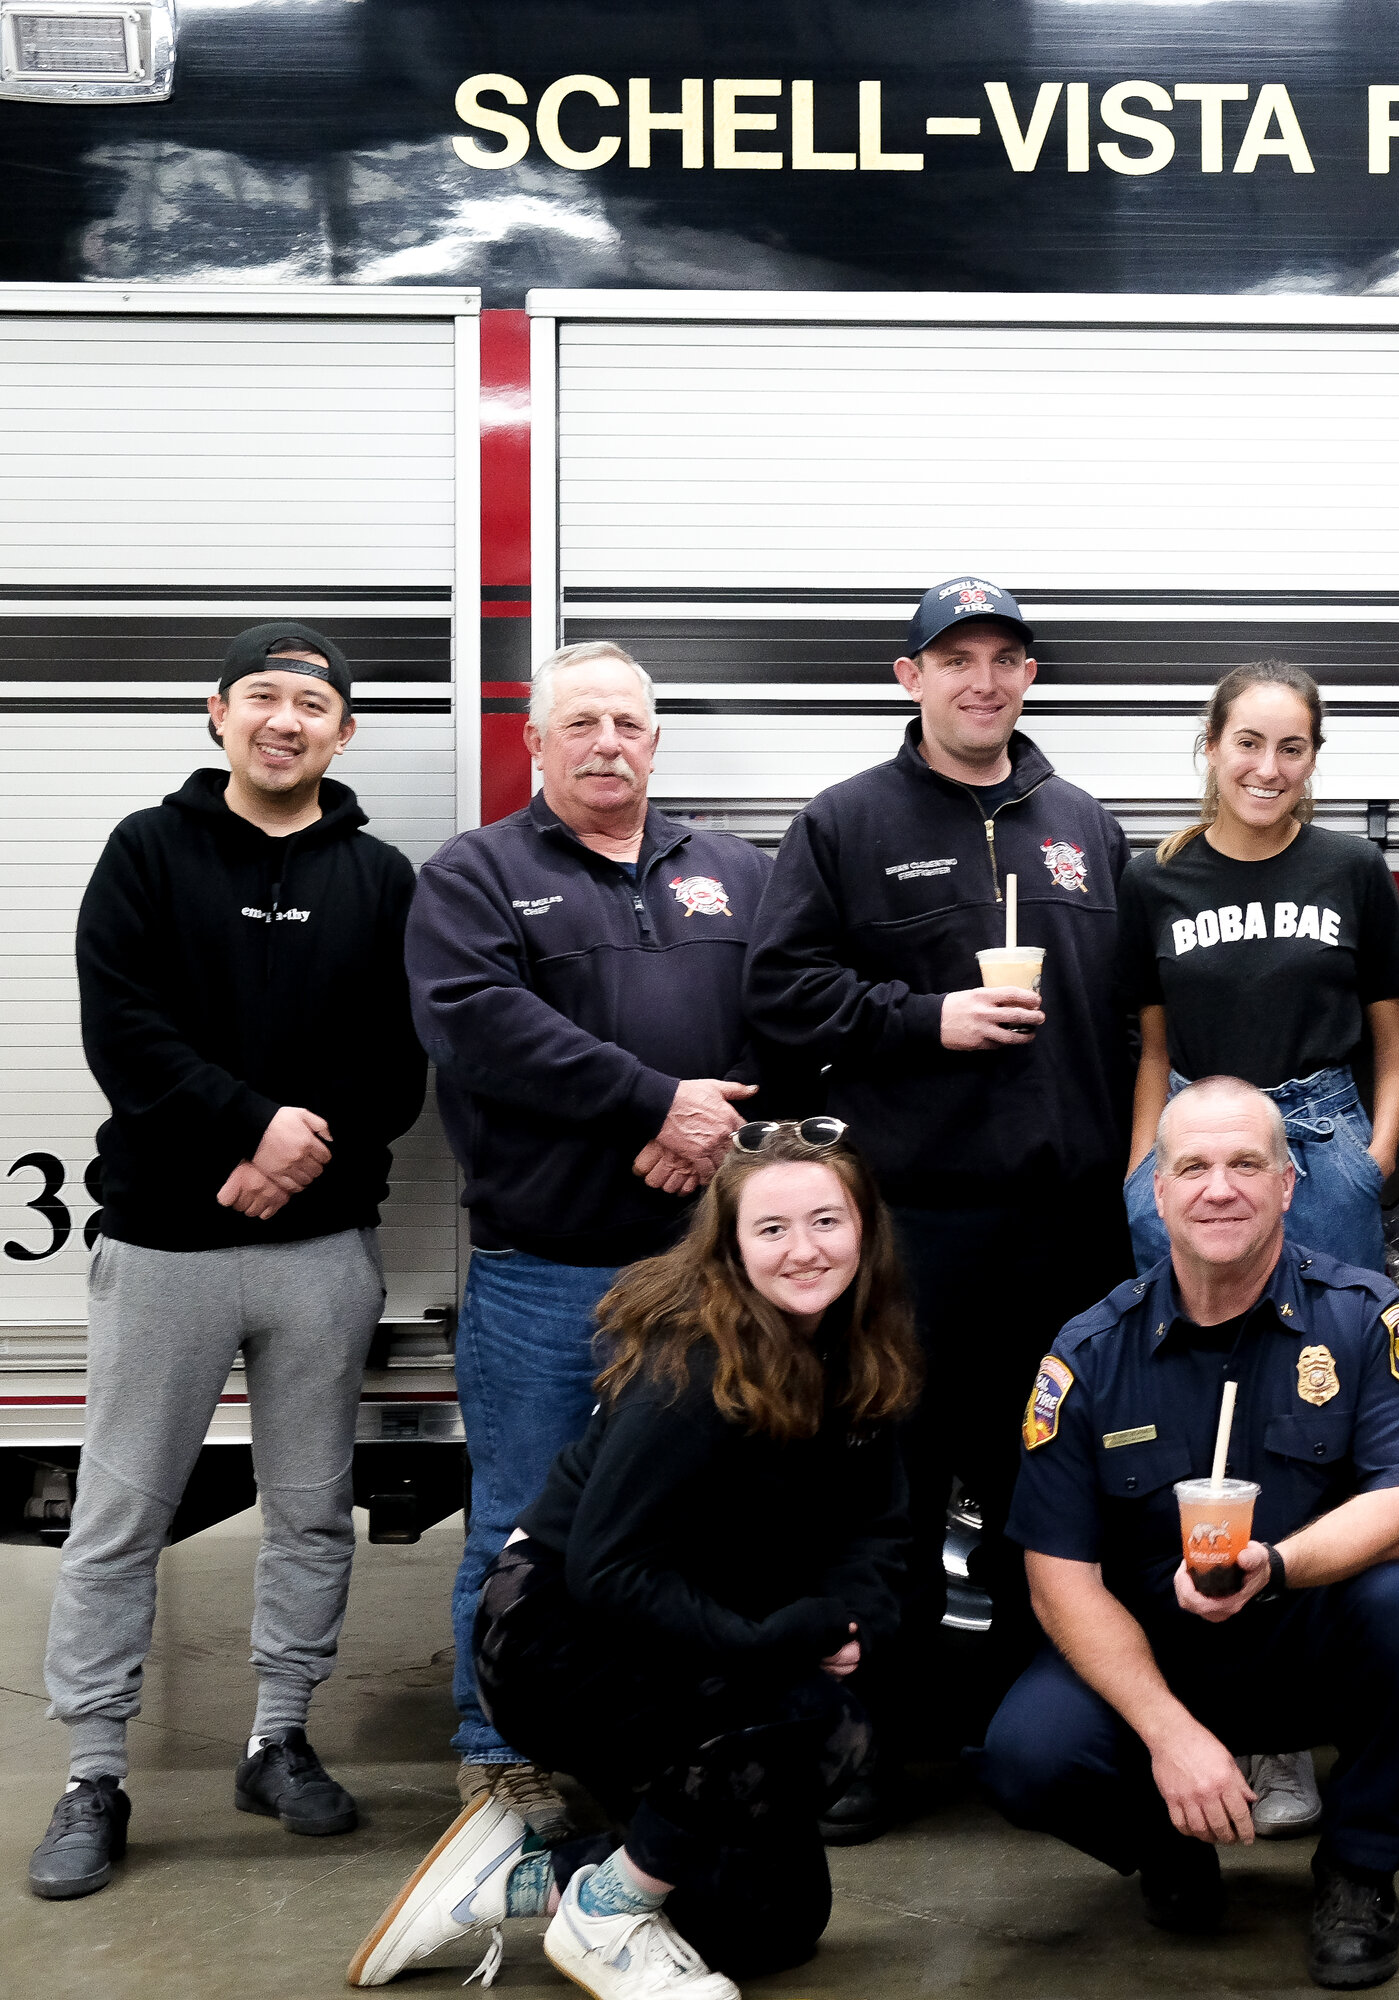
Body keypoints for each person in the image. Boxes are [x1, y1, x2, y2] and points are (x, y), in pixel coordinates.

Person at [31, 623, 427, 1900]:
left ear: (343, 731)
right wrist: (247, 1126)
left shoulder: (379, 876)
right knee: (121, 1516)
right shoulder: (146, 852)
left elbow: (395, 1060)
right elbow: (122, 1028)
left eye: (313, 701)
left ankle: (279, 1737)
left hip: (319, 1251)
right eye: (263, 694)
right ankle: (93, 1771)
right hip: (164, 1247)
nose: (286, 718)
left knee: (310, 1507)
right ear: (218, 713)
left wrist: (289, 1153)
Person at [346, 1119, 914, 1997]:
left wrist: (855, 1619)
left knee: (772, 1924)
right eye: (771, 1229)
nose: (804, 1250)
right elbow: (608, 1572)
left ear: (866, 1231)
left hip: (675, 1626)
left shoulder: (857, 1352)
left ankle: (523, 1877)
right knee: (820, 1721)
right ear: (729, 1247)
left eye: (827, 1222)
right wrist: (769, 1640)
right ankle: (608, 1915)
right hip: (554, 1634)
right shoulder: (692, 1369)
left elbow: (875, 1529)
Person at [745, 576, 1135, 1830]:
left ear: (1028, 677)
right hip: (915, 1227)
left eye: (1006, 657)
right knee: (890, 1493)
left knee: (1052, 1494)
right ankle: (871, 1744)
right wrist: (929, 1018)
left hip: (1068, 1230)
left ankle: (1031, 1730)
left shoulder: (1082, 822)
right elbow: (783, 992)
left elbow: (1133, 1021)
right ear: (907, 676)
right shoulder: (847, 821)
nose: (983, 679)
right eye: (955, 657)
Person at [406, 640, 770, 1831]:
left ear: (656, 741)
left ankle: (672, 1731)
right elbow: (478, 1024)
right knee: (520, 1513)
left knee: (700, 1522)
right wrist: (652, 1100)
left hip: (714, 1272)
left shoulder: (733, 871)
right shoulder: (474, 873)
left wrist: (708, 1122)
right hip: (544, 1273)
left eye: (627, 722)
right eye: (582, 724)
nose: (607, 742)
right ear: (535, 741)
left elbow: (789, 1013)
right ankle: (492, 1749)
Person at [981, 1077, 1399, 1991]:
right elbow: (1059, 1582)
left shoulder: (1362, 1317)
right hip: (1153, 1652)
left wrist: (1277, 1565)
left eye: (1247, 1164)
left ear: (1288, 1185)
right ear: (1157, 1191)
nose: (1218, 1187)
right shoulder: (1088, 1352)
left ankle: (1359, 1871)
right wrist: (1171, 1737)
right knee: (1025, 1755)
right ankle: (1170, 1842)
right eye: (1191, 1166)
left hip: (1301, 1632)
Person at [1117, 663, 1399, 1292]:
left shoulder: (1354, 867)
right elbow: (1155, 1047)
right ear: (1212, 746)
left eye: (1291, 748)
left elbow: (1394, 1040)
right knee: (1191, 1356)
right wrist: (1142, 1169)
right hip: (1192, 1151)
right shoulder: (1153, 880)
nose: (1268, 769)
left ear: (1312, 758)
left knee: (1332, 1356)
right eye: (1248, 743)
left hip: (1324, 1144)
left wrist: (1376, 1158)